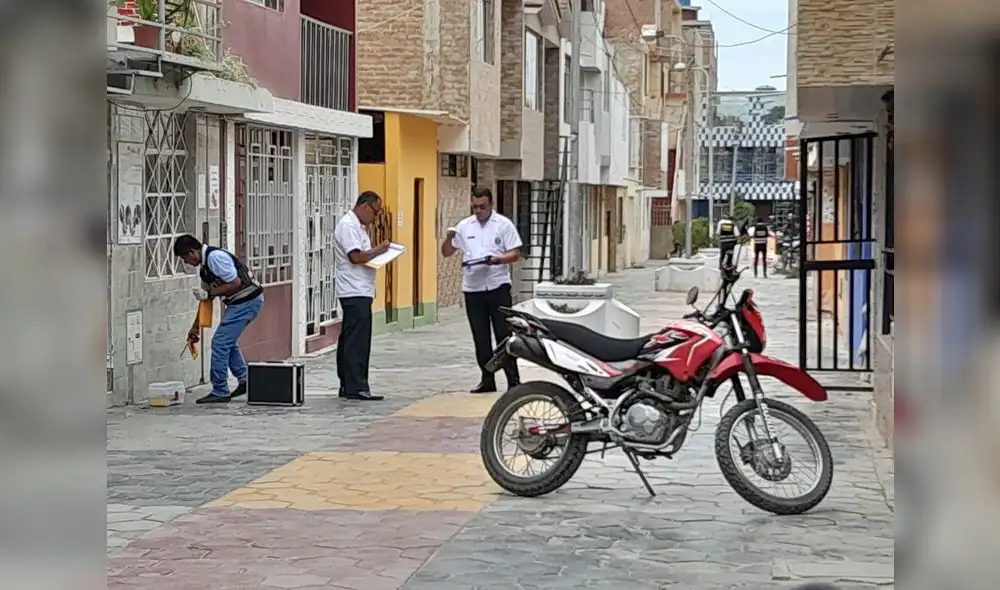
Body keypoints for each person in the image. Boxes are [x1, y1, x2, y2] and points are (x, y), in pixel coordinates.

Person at [441, 186, 522, 393]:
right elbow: (447, 252)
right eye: (475, 207)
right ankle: (487, 379)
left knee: (504, 335)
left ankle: (513, 380)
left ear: (491, 204)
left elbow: (515, 253)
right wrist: (449, 238)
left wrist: (498, 260)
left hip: (497, 285)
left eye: (482, 206)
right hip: (473, 288)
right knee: (480, 336)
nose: (478, 211)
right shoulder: (464, 226)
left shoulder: (503, 224)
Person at [174, 234, 264, 404]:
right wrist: (195, 327)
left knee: (220, 343)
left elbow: (235, 282)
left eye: (185, 259)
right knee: (227, 342)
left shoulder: (215, 258)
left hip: (247, 301)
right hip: (240, 303)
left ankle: (220, 390)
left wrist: (210, 293)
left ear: (192, 252)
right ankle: (245, 379)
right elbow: (205, 301)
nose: (187, 263)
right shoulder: (205, 269)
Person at [334, 191, 390, 401]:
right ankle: (356, 385)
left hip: (360, 288)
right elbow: (356, 256)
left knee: (352, 337)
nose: (375, 217)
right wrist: (379, 250)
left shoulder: (358, 227)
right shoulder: (348, 226)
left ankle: (348, 383)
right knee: (357, 341)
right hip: (353, 289)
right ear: (365, 206)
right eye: (375, 212)